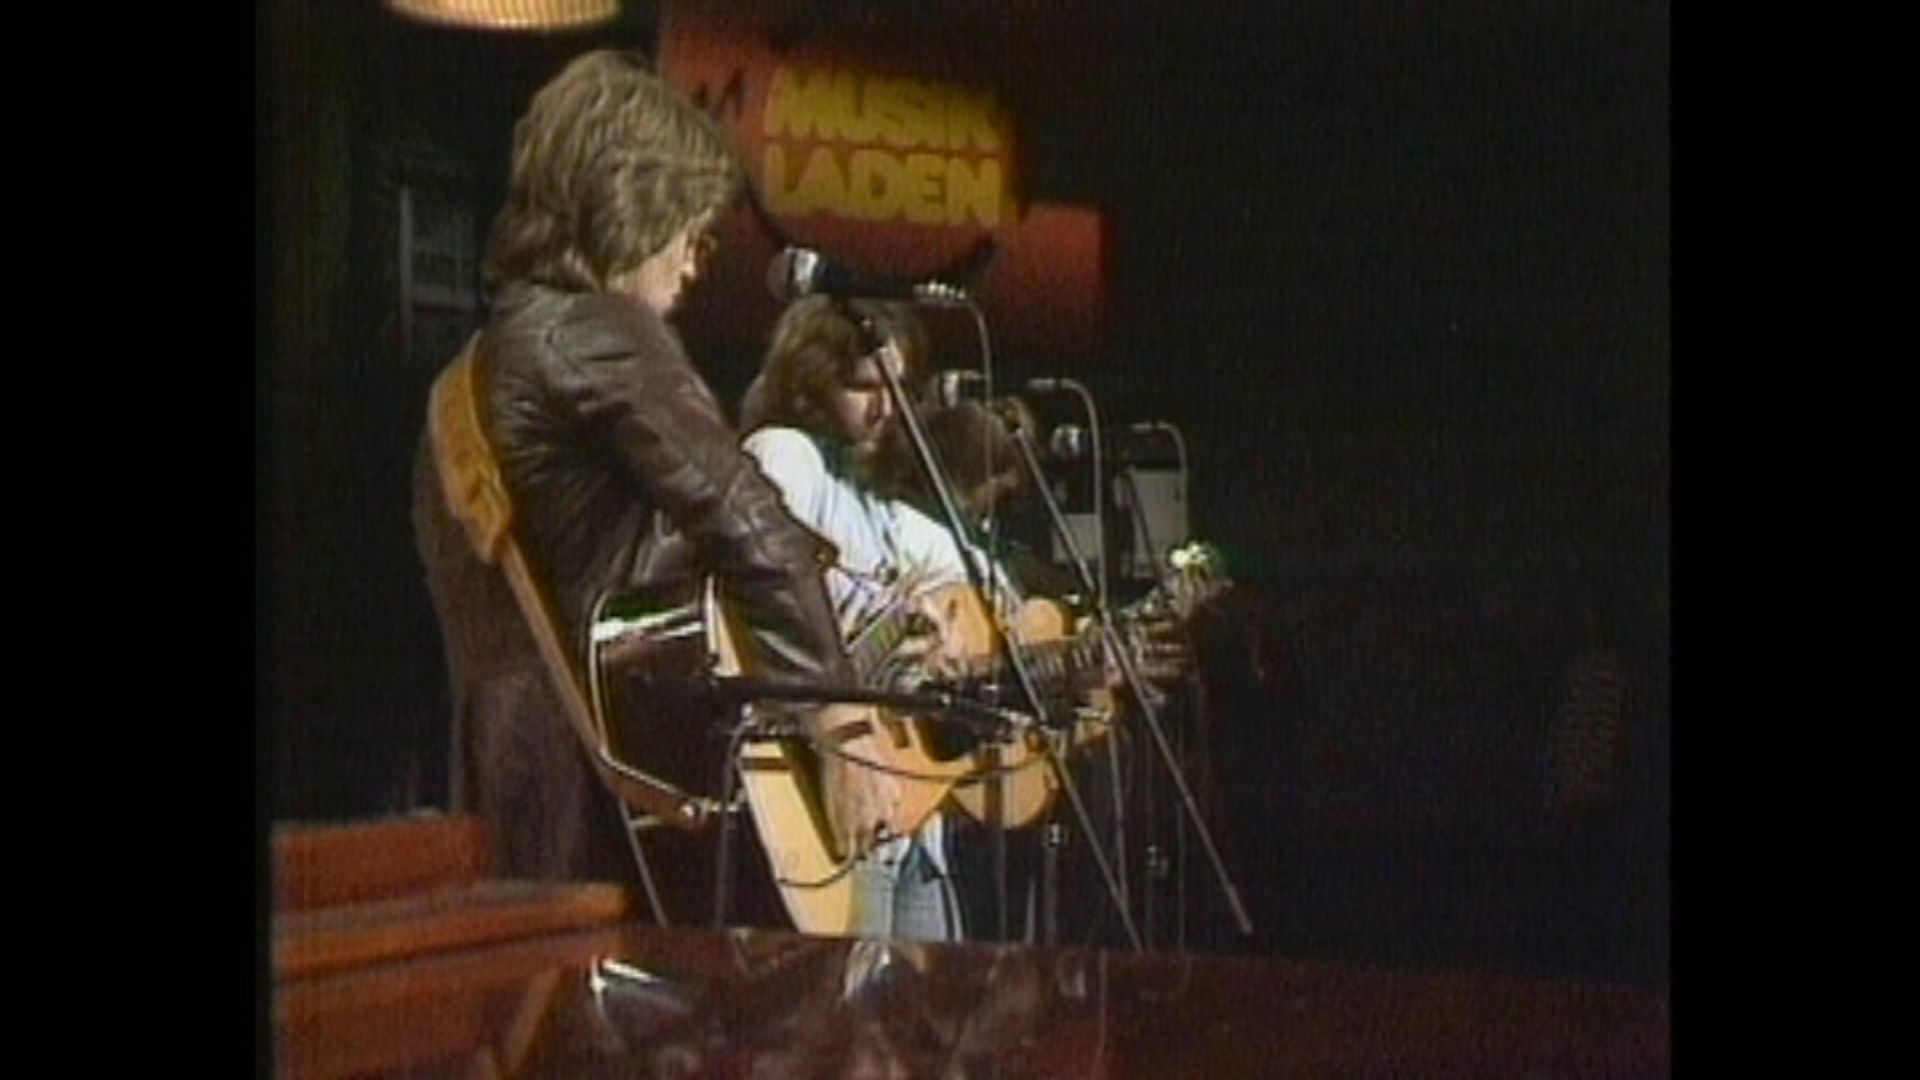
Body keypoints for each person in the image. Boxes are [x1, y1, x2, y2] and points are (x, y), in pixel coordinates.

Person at [411, 51, 898, 919]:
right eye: (689, 229)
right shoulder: (595, 331)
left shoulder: (475, 376)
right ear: (632, 201)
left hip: (523, 803)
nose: (696, 261)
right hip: (628, 821)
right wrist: (839, 721)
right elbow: (744, 514)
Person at [738, 296, 1024, 942]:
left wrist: (947, 621)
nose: (886, 408)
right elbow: (763, 594)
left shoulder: (874, 498)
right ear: (811, 386)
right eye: (864, 387)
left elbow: (991, 586)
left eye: (895, 388)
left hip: (909, 815)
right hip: (831, 794)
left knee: (929, 1001)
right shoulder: (786, 456)